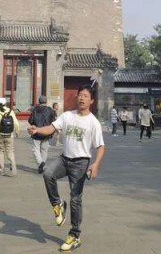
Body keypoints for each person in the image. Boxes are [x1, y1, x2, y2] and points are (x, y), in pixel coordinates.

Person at [27, 85, 105, 252]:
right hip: (64, 158)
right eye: (80, 95)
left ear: (91, 100)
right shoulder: (67, 116)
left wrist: (96, 164)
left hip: (81, 163)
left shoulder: (93, 123)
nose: (82, 98)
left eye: (85, 96)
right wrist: (37, 129)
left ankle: (75, 235)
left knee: (75, 199)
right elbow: (52, 128)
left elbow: (100, 146)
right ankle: (58, 204)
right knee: (48, 174)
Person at [28, 95, 57, 173]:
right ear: (46, 101)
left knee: (35, 149)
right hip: (46, 132)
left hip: (36, 132)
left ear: (39, 101)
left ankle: (40, 163)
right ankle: (42, 165)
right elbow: (53, 120)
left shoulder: (35, 110)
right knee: (44, 150)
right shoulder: (50, 110)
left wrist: (33, 125)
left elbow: (30, 120)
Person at [0, 97, 19, 176]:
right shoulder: (11, 112)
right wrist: (17, 132)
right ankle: (13, 168)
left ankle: (1, 170)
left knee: (0, 152)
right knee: (10, 152)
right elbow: (16, 123)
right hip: (9, 135)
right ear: (6, 104)